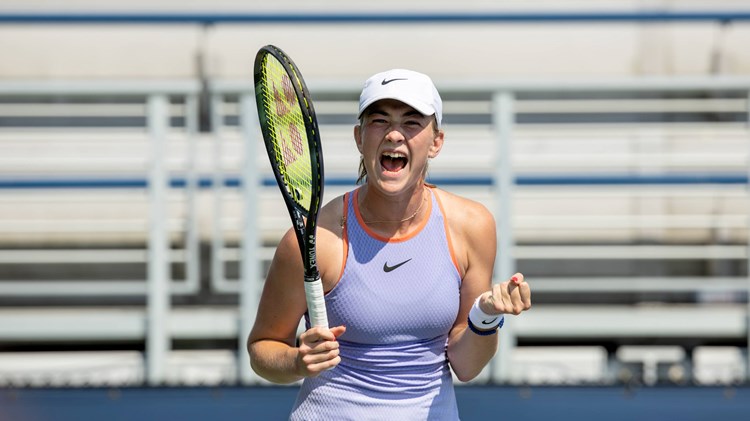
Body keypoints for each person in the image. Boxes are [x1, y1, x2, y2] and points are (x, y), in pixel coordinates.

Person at [247, 68, 532, 420]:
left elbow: (467, 366)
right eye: (379, 121)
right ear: (359, 137)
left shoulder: (473, 226)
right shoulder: (315, 239)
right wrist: (295, 361)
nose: (394, 134)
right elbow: (262, 349)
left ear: (436, 142)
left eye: (412, 123)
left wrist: (485, 317)